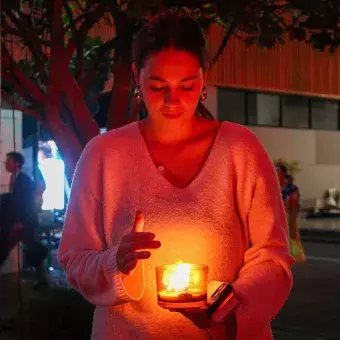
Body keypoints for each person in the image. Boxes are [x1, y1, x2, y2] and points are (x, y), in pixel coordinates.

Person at [58, 11, 294, 340]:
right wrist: (116, 262)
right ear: (136, 77)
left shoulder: (239, 150)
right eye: (158, 86)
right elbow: (74, 256)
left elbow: (272, 253)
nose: (173, 100)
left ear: (204, 78)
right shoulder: (104, 155)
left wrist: (227, 312)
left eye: (187, 85)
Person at [0, 152, 49, 288]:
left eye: (8, 161)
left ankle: (43, 281)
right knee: (33, 250)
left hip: (22, 223)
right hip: (22, 223)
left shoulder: (23, 180)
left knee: (5, 248)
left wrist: (20, 221)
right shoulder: (17, 179)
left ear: (16, 163)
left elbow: (23, 202)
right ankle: (43, 281)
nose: (6, 163)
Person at [276, 164, 306, 263]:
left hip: (287, 218)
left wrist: (292, 226)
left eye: (278, 171)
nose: (276, 173)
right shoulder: (273, 186)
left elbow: (293, 208)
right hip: (275, 220)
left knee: (291, 240)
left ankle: (295, 257)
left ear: (284, 173)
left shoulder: (291, 188)